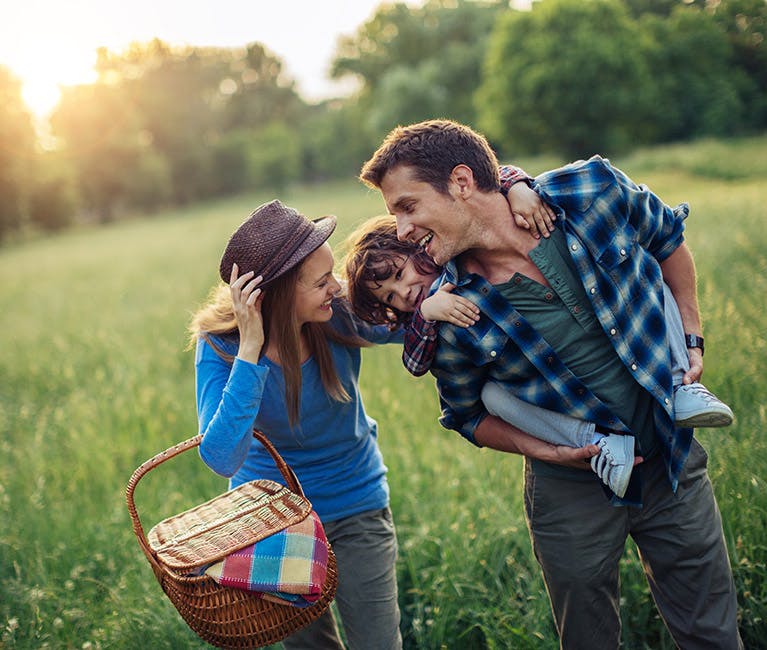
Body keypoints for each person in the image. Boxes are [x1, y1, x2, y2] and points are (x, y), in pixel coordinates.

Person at [359, 119, 743, 648]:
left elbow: (667, 238)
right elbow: (467, 415)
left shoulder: (590, 191)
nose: (401, 230)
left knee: (714, 632)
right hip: (572, 490)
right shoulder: (451, 313)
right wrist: (547, 451)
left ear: (463, 182)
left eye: (407, 206)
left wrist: (692, 337)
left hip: (672, 457)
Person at [341, 212, 734, 497]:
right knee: (492, 395)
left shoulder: (463, 257)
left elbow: (488, 186)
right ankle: (599, 444)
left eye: (399, 274)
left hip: (633, 382)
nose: (403, 291)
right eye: (390, 296)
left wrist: (516, 185)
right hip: (554, 411)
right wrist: (426, 315)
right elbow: (416, 365)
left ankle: (680, 384)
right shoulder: (432, 319)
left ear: (414, 246)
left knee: (647, 270)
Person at [188, 199, 403, 650]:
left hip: (355, 504)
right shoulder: (221, 345)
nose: (338, 289)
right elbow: (222, 456)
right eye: (322, 282)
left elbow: (412, 317)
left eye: (333, 275)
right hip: (273, 524)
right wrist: (251, 348)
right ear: (277, 296)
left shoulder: (336, 314)